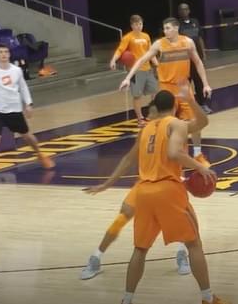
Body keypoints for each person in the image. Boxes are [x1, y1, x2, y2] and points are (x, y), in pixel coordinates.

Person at [83, 88, 229, 304]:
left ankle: (127, 299)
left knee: (140, 249)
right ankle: (208, 299)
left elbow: (127, 159)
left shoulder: (146, 129)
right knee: (194, 245)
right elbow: (175, 151)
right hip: (168, 191)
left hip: (143, 193)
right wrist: (201, 168)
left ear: (156, 108)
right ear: (174, 107)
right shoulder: (176, 124)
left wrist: (107, 183)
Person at [80, 83, 201, 280]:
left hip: (170, 182)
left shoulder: (177, 126)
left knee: (186, 223)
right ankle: (96, 256)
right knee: (124, 215)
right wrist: (107, 184)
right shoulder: (147, 131)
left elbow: (197, 127)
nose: (150, 117)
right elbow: (128, 158)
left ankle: (182, 255)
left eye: (152, 113)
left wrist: (198, 156)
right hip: (146, 184)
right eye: (149, 114)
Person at [120, 18, 212, 166]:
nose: (165, 31)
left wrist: (205, 84)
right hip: (166, 89)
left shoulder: (188, 42)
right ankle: (171, 157)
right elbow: (142, 60)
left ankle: (197, 154)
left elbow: (198, 62)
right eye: (164, 28)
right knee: (167, 125)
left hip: (183, 87)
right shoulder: (159, 44)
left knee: (195, 122)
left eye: (168, 28)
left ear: (176, 28)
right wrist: (128, 77)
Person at [0, 44, 55, 184]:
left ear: (9, 54)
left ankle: (40, 154)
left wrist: (29, 104)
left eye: (6, 52)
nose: (4, 54)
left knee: (28, 137)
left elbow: (23, 87)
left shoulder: (16, 70)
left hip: (15, 110)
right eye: (1, 52)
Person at [111, 15, 159, 125]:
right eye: (136, 24)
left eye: (140, 24)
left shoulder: (146, 36)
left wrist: (156, 63)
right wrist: (113, 60)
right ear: (132, 25)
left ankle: (152, 113)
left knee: (154, 92)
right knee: (137, 95)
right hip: (135, 71)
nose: (139, 26)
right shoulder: (128, 37)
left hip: (148, 69)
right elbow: (120, 50)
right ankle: (140, 118)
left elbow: (151, 51)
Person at [178, 3, 211, 114]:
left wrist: (204, 53)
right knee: (185, 84)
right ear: (179, 12)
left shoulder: (195, 22)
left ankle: (202, 104)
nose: (184, 11)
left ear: (189, 10)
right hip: (185, 60)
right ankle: (186, 107)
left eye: (186, 9)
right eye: (182, 10)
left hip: (197, 58)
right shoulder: (177, 25)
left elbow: (200, 37)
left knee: (199, 83)